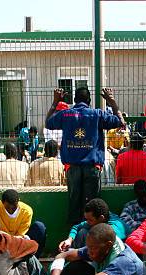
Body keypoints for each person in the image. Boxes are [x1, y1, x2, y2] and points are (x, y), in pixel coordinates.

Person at [45, 87, 125, 224]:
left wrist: (55, 102)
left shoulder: (65, 114)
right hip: (92, 167)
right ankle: (92, 237)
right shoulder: (97, 114)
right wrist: (111, 101)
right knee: (92, 206)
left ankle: (73, 237)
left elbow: (48, 123)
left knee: (74, 203)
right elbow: (120, 122)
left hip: (72, 167)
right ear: (89, 101)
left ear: (75, 100)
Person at [0, 189, 46, 258]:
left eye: (14, 207)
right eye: (7, 207)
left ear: (18, 201)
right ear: (2, 202)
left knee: (39, 227)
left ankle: (33, 258)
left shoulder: (27, 211)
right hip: (0, 243)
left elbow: (21, 234)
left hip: (18, 240)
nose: (11, 210)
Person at [59, 198, 127, 251]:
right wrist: (69, 240)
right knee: (83, 231)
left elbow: (101, 247)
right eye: (86, 219)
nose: (87, 222)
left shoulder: (114, 229)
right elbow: (76, 227)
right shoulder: (97, 220)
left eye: (90, 220)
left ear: (101, 218)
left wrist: (74, 253)